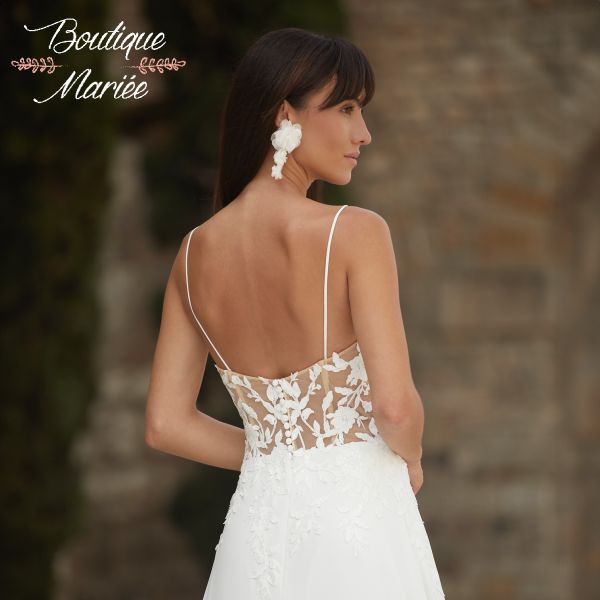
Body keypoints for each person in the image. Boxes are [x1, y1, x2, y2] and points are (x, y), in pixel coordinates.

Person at [145, 26, 445, 600]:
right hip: (358, 520)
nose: (364, 133)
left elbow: (166, 425)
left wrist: (280, 456)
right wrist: (408, 459)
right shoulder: (355, 232)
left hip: (256, 528)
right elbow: (396, 408)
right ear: (286, 114)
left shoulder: (192, 254)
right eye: (347, 108)